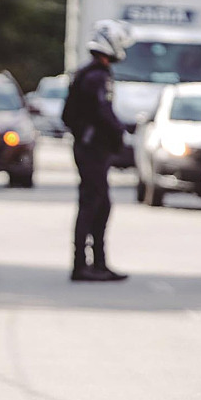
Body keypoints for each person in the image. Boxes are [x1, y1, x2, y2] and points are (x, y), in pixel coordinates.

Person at [62, 19, 131, 282]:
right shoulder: (96, 77)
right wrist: (119, 132)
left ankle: (98, 263)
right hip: (92, 149)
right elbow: (103, 112)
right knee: (93, 205)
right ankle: (83, 264)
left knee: (99, 204)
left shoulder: (89, 73)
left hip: (90, 148)